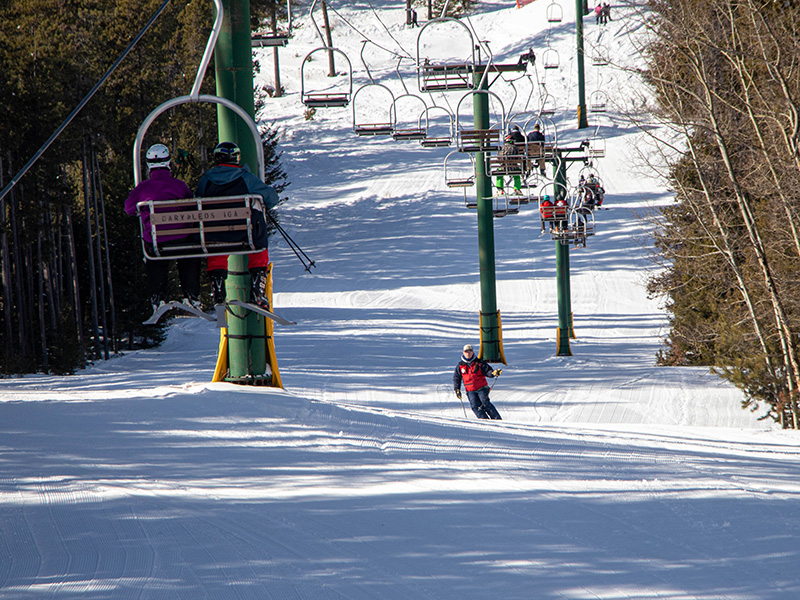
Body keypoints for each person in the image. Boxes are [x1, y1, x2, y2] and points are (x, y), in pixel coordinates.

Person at [195, 141, 279, 309]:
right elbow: (271, 198)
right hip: (244, 235)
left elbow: (198, 199)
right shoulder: (245, 178)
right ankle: (257, 288)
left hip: (216, 235)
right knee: (258, 244)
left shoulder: (206, 180)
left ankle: (218, 287)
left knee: (215, 244)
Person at [125, 143, 202, 313]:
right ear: (168, 163)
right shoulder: (179, 185)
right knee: (188, 255)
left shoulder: (143, 188)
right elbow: (191, 207)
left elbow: (129, 208)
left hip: (156, 240)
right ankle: (192, 295)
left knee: (154, 257)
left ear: (149, 165)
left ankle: (158, 297)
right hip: (182, 239)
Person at [453, 344, 502, 420]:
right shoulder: (460, 366)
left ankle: (497, 419)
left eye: (470, 351)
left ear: (472, 352)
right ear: (463, 353)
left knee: (485, 404)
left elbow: (488, 371)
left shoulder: (479, 362)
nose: (468, 353)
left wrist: (493, 373)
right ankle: (485, 421)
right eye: (466, 351)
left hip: (481, 388)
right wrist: (457, 389)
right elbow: (456, 378)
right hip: (470, 391)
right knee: (475, 406)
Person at [496, 126, 525, 195]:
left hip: (503, 168)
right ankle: (517, 188)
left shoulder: (502, 148)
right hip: (513, 168)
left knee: (499, 174)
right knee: (517, 175)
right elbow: (518, 158)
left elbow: (498, 158)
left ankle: (500, 188)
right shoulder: (515, 148)